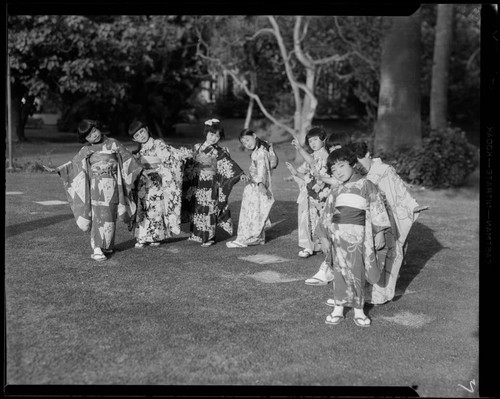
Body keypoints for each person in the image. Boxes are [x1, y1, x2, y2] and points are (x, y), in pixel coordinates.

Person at [43, 119, 143, 261]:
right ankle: (97, 247)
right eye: (89, 136)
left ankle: (106, 245)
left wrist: (141, 168)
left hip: (114, 186)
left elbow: (128, 159)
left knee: (110, 215)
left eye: (94, 131)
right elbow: (74, 166)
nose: (94, 136)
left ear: (98, 127)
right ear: (85, 139)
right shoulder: (86, 150)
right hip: (96, 187)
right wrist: (58, 169)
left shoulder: (113, 143)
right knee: (98, 216)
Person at [316, 147, 391, 327]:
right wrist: (324, 238)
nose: (338, 172)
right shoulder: (336, 190)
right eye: (333, 170)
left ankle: (358, 309)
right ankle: (338, 309)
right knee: (339, 271)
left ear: (353, 164)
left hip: (359, 236)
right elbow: (327, 214)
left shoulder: (366, 185)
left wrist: (379, 231)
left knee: (357, 271)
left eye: (341, 166)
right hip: (338, 235)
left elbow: (376, 207)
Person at [348, 141, 428, 305]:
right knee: (366, 255)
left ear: (369, 155)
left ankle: (380, 295)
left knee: (386, 255)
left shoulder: (385, 170)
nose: (357, 165)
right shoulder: (357, 174)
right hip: (366, 220)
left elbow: (400, 191)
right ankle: (364, 291)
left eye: (359, 160)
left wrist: (412, 207)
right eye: (354, 162)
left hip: (387, 220)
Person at [181, 118, 247, 247]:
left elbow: (229, 165)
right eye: (211, 134)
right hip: (197, 182)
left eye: (217, 136)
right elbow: (187, 162)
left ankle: (208, 237)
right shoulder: (196, 148)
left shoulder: (219, 152)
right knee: (197, 208)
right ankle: (196, 234)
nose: (214, 138)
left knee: (209, 208)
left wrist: (240, 174)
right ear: (206, 133)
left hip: (211, 183)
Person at [128, 121, 192, 248]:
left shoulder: (158, 144)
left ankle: (155, 236)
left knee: (156, 209)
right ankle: (142, 236)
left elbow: (171, 156)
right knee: (143, 209)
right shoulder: (139, 151)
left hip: (156, 182)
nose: (141, 136)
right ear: (134, 139)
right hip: (144, 183)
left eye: (142, 131)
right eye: (137, 135)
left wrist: (184, 154)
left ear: (146, 129)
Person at [285, 126, 330, 258]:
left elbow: (313, 163)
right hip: (310, 192)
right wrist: (295, 173)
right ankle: (310, 245)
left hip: (321, 193)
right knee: (307, 218)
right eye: (310, 141)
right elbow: (306, 172)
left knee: (318, 219)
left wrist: (299, 149)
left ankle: (317, 245)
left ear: (324, 140)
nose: (313, 143)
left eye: (315, 140)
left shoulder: (325, 155)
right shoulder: (312, 155)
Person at [226, 129, 274, 248]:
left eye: (247, 140)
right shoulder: (260, 150)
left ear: (254, 135)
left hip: (257, 186)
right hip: (254, 184)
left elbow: (262, 169)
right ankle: (258, 238)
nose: (247, 144)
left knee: (250, 213)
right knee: (255, 212)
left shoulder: (260, 152)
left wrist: (260, 183)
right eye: (244, 143)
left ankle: (245, 239)